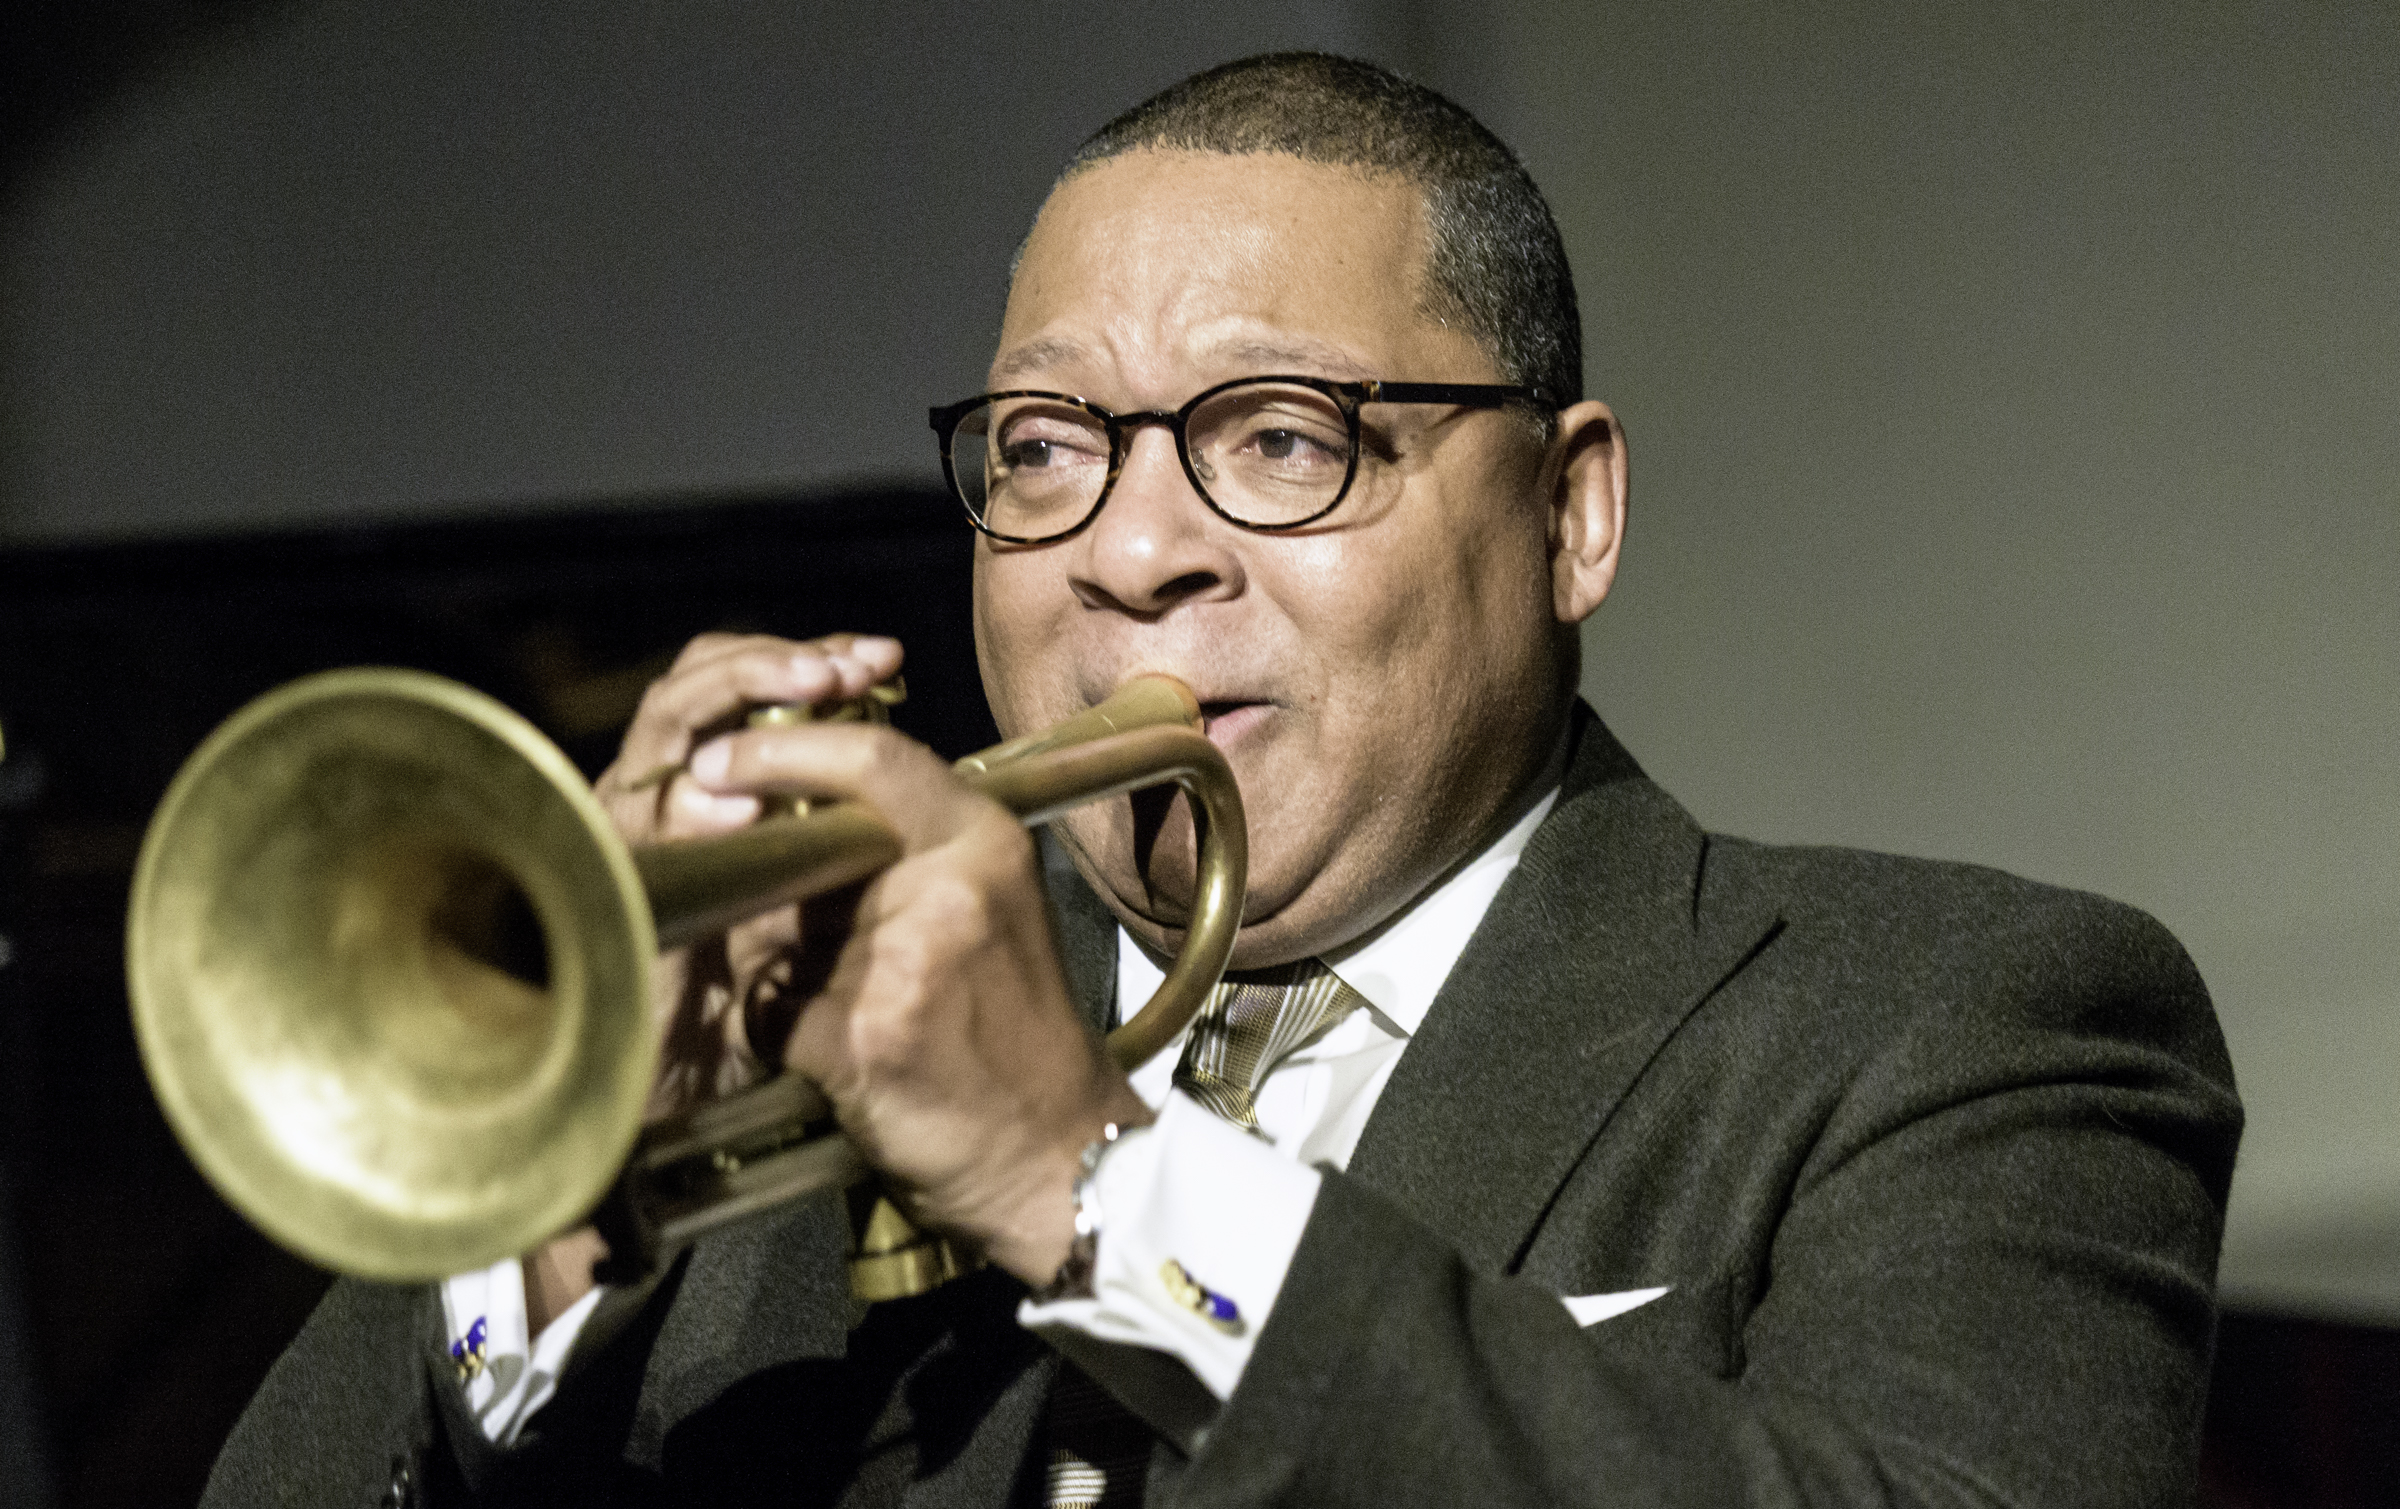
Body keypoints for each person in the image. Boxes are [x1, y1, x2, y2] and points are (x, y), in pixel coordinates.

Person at [204, 53, 2240, 1509]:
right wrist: (561, 1203)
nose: (1129, 547)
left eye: (1277, 437)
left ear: (1571, 510)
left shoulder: (1965, 1018)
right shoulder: (790, 1063)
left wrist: (1087, 1178)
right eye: (1039, 449)